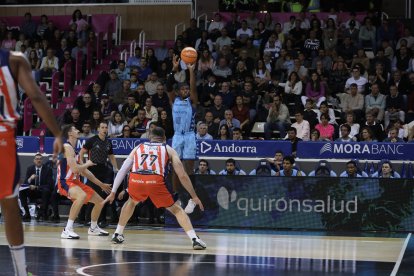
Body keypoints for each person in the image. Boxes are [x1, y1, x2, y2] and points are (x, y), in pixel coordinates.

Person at [0, 48, 63, 276]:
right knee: (10, 206)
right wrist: (57, 133)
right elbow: (35, 96)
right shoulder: (14, 60)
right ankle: (19, 271)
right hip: (2, 139)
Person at [103, 127, 206, 250]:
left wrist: (113, 192)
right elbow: (182, 175)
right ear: (164, 139)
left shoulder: (138, 147)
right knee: (176, 209)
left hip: (136, 179)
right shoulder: (169, 149)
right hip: (155, 180)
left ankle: (117, 234)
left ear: (150, 137)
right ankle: (194, 239)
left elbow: (123, 169)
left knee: (131, 202)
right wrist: (194, 196)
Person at [58, 124, 112, 239]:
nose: (78, 130)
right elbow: (75, 169)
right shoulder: (66, 147)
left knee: (100, 202)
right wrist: (87, 163)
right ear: (69, 133)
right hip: (65, 181)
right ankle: (67, 229)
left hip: (75, 182)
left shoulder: (75, 150)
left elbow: (86, 173)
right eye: (75, 129)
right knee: (81, 196)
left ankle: (93, 228)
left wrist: (101, 185)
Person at [166, 55, 198, 211]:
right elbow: (168, 86)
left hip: (190, 135)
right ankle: (176, 196)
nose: (186, 90)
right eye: (183, 89)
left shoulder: (192, 100)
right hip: (177, 135)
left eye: (187, 89)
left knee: (189, 167)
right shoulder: (174, 100)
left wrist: (191, 71)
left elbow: (193, 87)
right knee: (175, 167)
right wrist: (173, 69)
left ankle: (192, 198)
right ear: (179, 91)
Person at [79, 122, 119, 227]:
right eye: (102, 127)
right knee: (92, 195)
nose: (104, 129)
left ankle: (102, 220)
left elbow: (111, 156)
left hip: (104, 170)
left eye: (106, 128)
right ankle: (88, 219)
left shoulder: (108, 142)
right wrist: (83, 166)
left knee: (103, 194)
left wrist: (115, 167)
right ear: (98, 129)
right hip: (92, 169)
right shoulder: (92, 140)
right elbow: (81, 153)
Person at [19, 153, 54, 222]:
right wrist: (30, 179)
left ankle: (43, 213)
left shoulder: (47, 169)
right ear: (34, 160)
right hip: (32, 192)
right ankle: (27, 213)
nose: (39, 160)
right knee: (22, 191)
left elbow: (49, 185)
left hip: (42, 192)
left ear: (42, 160)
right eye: (37, 159)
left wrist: (37, 187)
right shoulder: (30, 169)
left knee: (46, 191)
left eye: (40, 159)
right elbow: (26, 183)